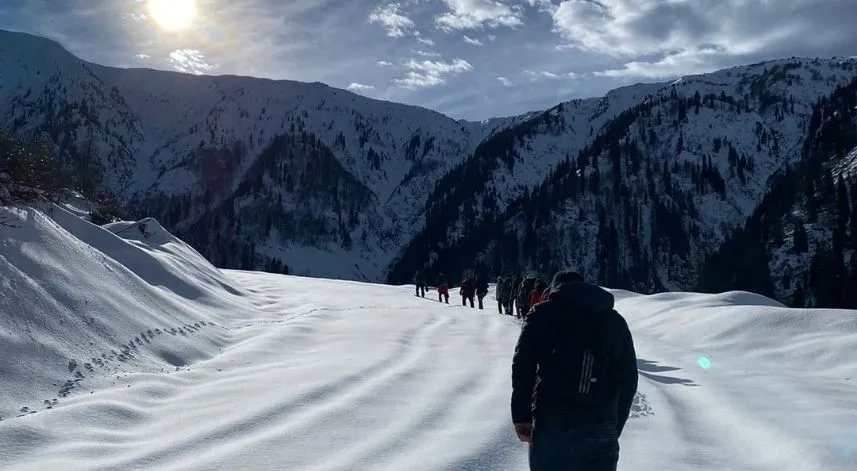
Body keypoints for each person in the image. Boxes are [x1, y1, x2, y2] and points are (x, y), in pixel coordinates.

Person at [511, 270, 638, 471]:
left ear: (554, 289)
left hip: (551, 424)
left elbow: (522, 368)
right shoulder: (614, 321)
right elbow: (628, 378)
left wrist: (521, 416)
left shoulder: (541, 314)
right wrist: (614, 424)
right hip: (600, 425)